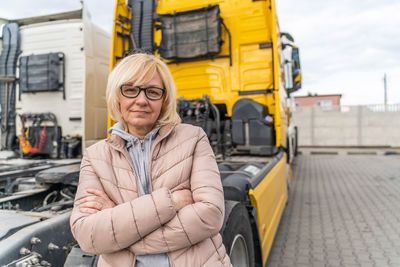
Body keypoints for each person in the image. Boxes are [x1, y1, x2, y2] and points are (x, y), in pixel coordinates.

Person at [70, 52, 232, 267]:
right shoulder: (95, 156)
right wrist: (172, 202)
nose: (141, 100)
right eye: (130, 90)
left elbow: (210, 215)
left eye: (153, 92)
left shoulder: (193, 138)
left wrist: (120, 227)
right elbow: (88, 235)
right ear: (116, 95)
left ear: (164, 100)